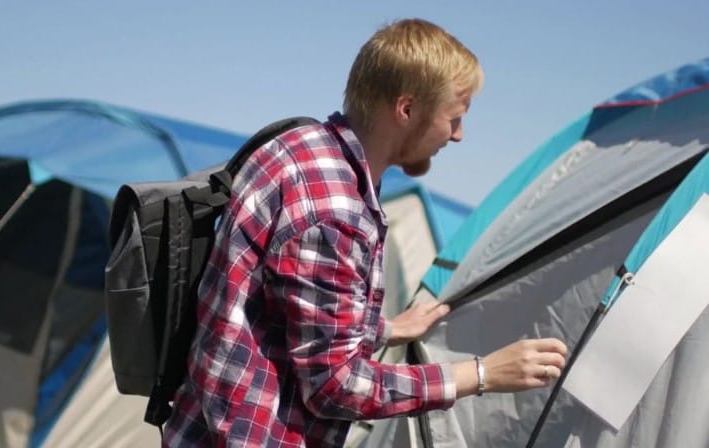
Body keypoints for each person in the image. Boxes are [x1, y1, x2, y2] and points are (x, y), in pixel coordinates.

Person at [162, 18, 568, 448]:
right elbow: (333, 386)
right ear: (407, 109)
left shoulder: (299, 145)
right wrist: (482, 374)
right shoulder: (337, 212)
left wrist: (386, 330)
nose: (458, 135)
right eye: (454, 117)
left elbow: (286, 314)